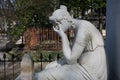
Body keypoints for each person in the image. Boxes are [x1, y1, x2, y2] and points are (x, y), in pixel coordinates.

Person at [36, 5, 107, 80]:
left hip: (89, 72)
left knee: (45, 75)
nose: (56, 28)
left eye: (56, 25)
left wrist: (63, 36)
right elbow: (72, 57)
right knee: (49, 67)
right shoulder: (78, 29)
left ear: (64, 19)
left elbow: (71, 60)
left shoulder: (83, 29)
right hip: (81, 66)